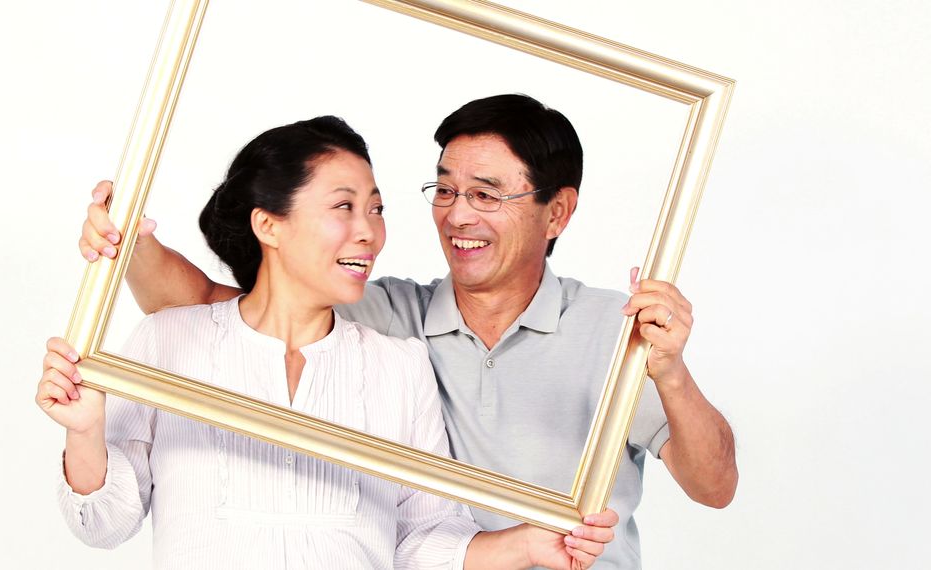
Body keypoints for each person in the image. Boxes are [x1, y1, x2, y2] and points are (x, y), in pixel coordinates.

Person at [79, 95, 738, 569]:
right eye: (444, 190)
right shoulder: (390, 322)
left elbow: (715, 486)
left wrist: (671, 370)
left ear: (556, 212)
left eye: (486, 194)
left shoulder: (612, 329)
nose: (456, 215)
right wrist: (125, 242)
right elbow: (220, 311)